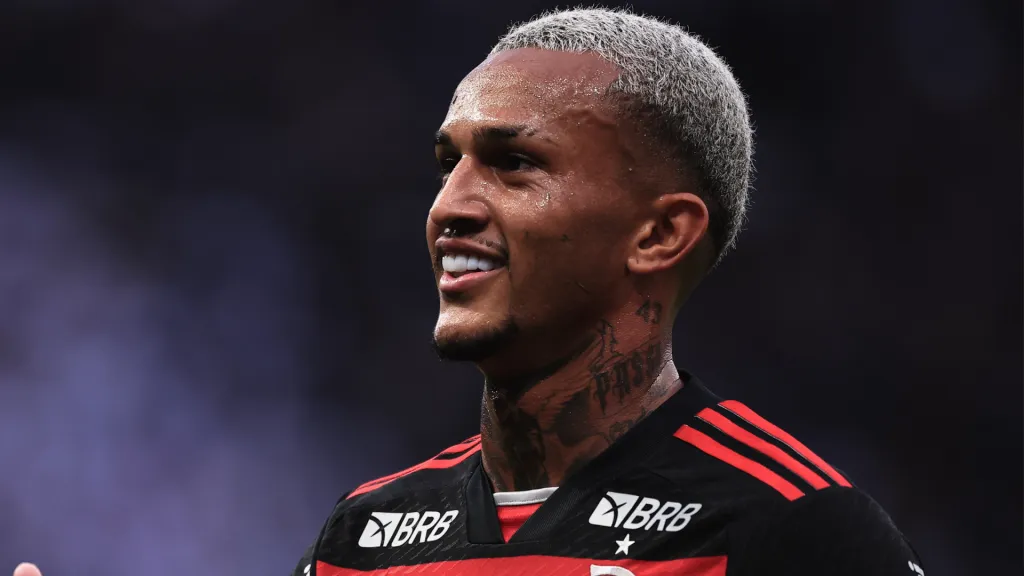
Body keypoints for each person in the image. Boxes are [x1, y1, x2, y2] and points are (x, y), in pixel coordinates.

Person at [12, 8, 924, 576]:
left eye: (514, 164)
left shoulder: (787, 528)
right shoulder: (365, 537)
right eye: (447, 165)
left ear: (658, 234)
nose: (447, 208)